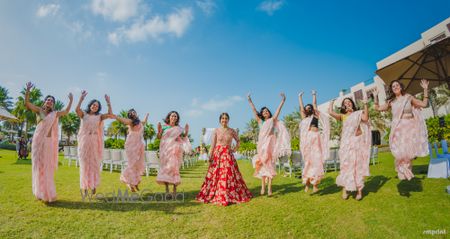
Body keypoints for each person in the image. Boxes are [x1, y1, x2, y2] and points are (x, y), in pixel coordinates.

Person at [25, 82, 73, 202]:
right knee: (38, 167)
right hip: (38, 142)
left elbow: (66, 111)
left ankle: (47, 192)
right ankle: (39, 192)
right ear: (44, 102)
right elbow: (27, 103)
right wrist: (28, 90)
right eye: (48, 100)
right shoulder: (39, 111)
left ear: (53, 104)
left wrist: (71, 100)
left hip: (49, 143)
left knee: (47, 168)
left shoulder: (55, 114)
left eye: (52, 100)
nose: (50, 101)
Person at [374, 79, 429, 180]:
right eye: (393, 86)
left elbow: (424, 104)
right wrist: (375, 96)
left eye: (397, 85)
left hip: (410, 127)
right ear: (391, 89)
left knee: (409, 152)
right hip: (398, 128)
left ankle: (406, 168)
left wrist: (425, 90)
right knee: (400, 151)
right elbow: (377, 108)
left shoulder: (408, 97)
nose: (395, 87)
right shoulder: (391, 102)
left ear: (401, 87)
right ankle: (402, 168)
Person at [197, 113, 252, 206]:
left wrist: (234, 149)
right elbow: (213, 145)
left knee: (228, 173)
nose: (224, 120)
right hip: (217, 155)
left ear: (228, 120)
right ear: (220, 120)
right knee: (216, 175)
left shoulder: (231, 131)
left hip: (228, 154)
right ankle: (219, 193)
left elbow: (238, 141)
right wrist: (210, 156)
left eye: (226, 118)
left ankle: (228, 194)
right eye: (222, 118)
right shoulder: (216, 130)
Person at [247, 93, 291, 196]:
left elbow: (278, 111)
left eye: (267, 111)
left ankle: (269, 189)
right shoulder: (260, 122)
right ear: (261, 114)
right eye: (263, 112)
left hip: (271, 145)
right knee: (263, 165)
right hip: (262, 145)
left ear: (269, 113)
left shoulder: (272, 120)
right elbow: (254, 111)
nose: (265, 112)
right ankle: (263, 187)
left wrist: (283, 101)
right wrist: (250, 101)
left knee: (270, 165)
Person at [328, 96, 370, 200]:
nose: (347, 103)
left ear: (352, 103)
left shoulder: (358, 113)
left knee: (357, 165)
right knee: (346, 165)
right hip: (346, 144)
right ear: (343, 106)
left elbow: (366, 118)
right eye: (345, 102)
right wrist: (332, 102)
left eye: (349, 102)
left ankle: (359, 191)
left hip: (357, 142)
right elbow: (330, 112)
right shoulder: (342, 116)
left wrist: (365, 104)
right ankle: (345, 189)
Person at [76, 90, 113, 195]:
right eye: (93, 105)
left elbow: (110, 114)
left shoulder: (100, 116)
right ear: (90, 105)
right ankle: (85, 187)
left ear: (98, 108)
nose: (94, 106)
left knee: (94, 165)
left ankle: (93, 185)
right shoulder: (84, 114)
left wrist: (108, 102)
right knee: (84, 165)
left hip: (95, 143)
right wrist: (81, 99)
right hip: (84, 142)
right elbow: (76, 109)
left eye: (97, 106)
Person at [298, 90, 330, 193]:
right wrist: (300, 97)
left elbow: (315, 105)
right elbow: (301, 108)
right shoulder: (304, 118)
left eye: (309, 108)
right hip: (307, 141)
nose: (308, 109)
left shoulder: (315, 115)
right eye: (306, 108)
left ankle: (315, 185)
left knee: (317, 162)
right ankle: (307, 183)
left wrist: (314, 95)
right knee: (308, 163)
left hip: (316, 139)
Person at [156, 111, 191, 196]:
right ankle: (167, 189)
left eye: (175, 116)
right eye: (172, 116)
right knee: (166, 169)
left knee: (174, 169)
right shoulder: (164, 127)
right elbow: (159, 137)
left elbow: (183, 137)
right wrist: (159, 130)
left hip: (175, 151)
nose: (174, 118)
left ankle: (174, 189)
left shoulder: (178, 128)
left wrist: (186, 131)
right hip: (165, 151)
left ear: (177, 119)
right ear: (169, 117)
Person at [113, 109, 149, 192]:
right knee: (132, 164)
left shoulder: (139, 122)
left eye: (134, 112)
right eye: (131, 113)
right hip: (131, 145)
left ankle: (135, 183)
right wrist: (116, 117)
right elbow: (123, 120)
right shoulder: (130, 121)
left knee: (137, 164)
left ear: (136, 113)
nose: (133, 113)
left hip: (139, 145)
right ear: (129, 115)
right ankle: (129, 183)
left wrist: (147, 115)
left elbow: (144, 122)